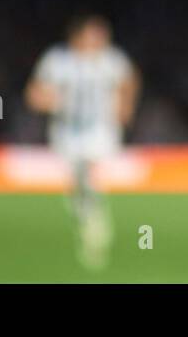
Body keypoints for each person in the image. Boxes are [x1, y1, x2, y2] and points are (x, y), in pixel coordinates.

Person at [26, 14, 139, 269]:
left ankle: (95, 224)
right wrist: (48, 100)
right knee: (75, 181)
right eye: (93, 34)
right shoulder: (57, 60)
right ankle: (88, 212)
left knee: (89, 173)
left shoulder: (111, 60)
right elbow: (35, 93)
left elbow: (129, 80)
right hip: (67, 131)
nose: (99, 39)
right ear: (77, 36)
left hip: (100, 129)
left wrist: (125, 106)